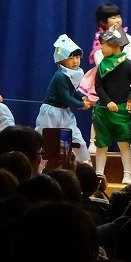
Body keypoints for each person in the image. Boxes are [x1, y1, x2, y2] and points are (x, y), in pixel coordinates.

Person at [34, 34, 92, 164]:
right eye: (71, 58)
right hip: (51, 113)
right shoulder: (60, 76)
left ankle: (86, 167)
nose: (75, 61)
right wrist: (81, 104)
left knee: (77, 140)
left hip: (65, 113)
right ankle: (38, 167)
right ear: (61, 60)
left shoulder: (72, 74)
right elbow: (66, 97)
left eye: (77, 57)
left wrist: (82, 96)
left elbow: (73, 90)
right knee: (45, 140)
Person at [93, 28, 131, 184]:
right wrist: (108, 102)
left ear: (115, 46)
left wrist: (130, 98)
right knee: (102, 143)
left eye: (104, 44)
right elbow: (98, 86)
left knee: (124, 143)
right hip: (104, 111)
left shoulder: (128, 65)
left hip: (122, 111)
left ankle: (127, 174)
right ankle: (99, 173)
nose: (101, 48)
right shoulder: (102, 65)